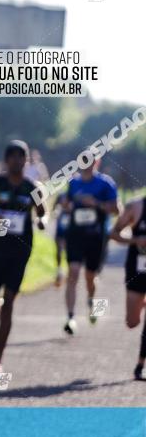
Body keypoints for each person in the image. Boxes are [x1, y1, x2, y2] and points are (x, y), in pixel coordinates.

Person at [0, 140, 46, 378]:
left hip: (19, 252)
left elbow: (43, 212)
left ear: (26, 160)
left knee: (10, 301)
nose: (16, 161)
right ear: (6, 160)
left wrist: (43, 221)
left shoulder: (32, 187)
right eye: (12, 156)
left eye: (20, 156)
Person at [61, 158, 120, 334]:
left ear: (97, 162)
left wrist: (96, 204)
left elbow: (116, 210)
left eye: (90, 160)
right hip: (75, 235)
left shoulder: (105, 183)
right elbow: (66, 206)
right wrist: (67, 205)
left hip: (96, 238)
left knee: (90, 276)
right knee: (73, 272)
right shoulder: (73, 183)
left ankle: (92, 302)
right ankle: (70, 318)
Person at [110, 196, 146, 380]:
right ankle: (142, 303)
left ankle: (140, 365)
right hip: (137, 270)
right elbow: (113, 233)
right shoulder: (136, 206)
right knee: (132, 322)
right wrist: (136, 240)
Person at [53, 191, 71, 288]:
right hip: (62, 224)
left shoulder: (78, 194)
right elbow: (54, 208)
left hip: (73, 226)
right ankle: (59, 271)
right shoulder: (62, 194)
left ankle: (70, 273)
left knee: (69, 251)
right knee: (59, 251)